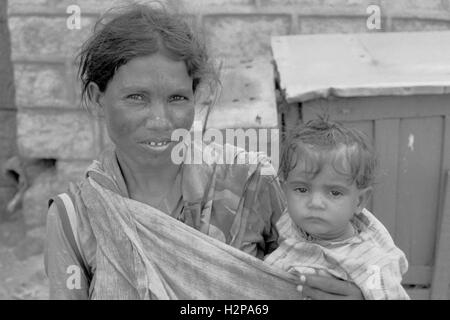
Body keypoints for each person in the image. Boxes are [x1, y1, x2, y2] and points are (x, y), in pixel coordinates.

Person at [44, 3, 364, 299]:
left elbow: (340, 261)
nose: (160, 120)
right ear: (98, 99)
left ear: (195, 97)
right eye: (136, 97)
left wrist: (359, 293)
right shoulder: (76, 218)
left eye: (177, 98)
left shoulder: (250, 182)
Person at [264, 118, 410, 299]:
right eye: (302, 189)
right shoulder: (289, 221)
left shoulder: (370, 262)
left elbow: (389, 294)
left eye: (334, 193)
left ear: (359, 201)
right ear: (285, 191)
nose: (315, 203)